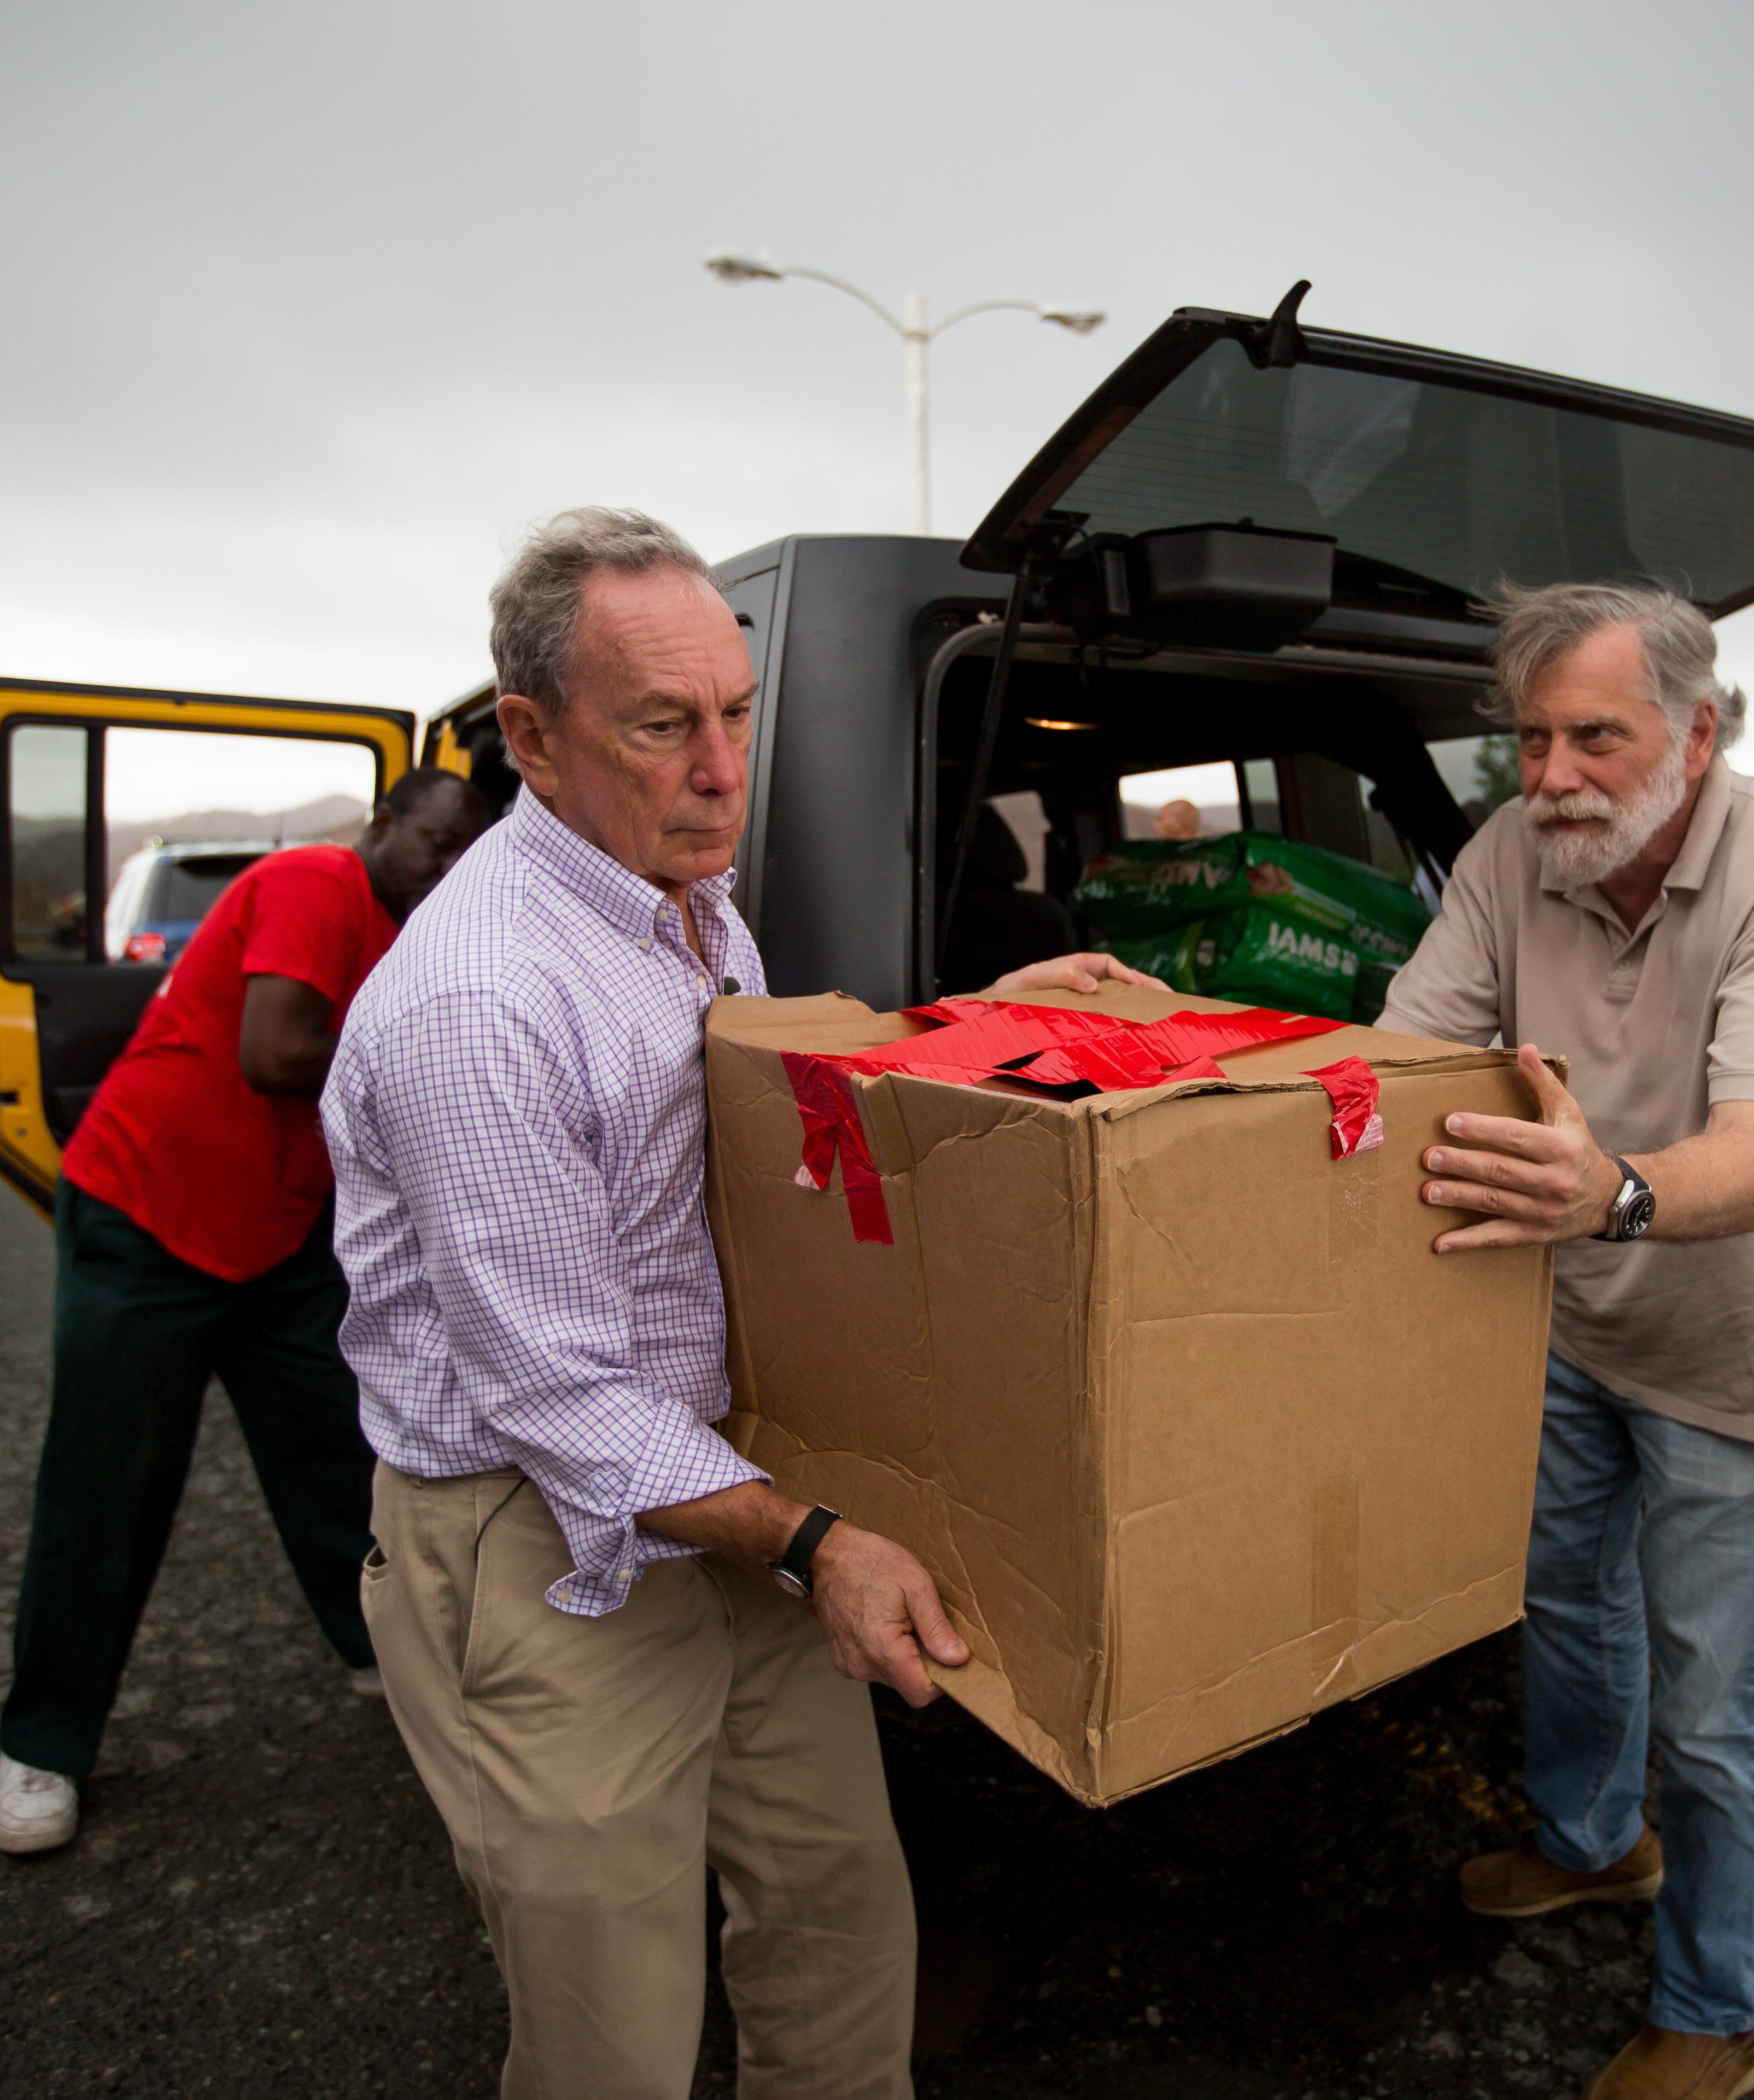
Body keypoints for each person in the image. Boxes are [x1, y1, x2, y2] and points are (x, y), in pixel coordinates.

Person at [323, 508, 1158, 2100]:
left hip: (730, 1480)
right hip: (547, 1540)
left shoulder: (683, 897)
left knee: (841, 1918)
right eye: (663, 726)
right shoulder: (483, 1000)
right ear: (532, 736)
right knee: (614, 2027)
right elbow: (559, 1396)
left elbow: (757, 1087)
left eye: (737, 713)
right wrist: (822, 1544)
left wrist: (977, 1017)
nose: (723, 768)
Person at [1383, 582, 1754, 2100]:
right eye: (1531, 742)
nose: (1554, 779)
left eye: (1596, 736)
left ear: (1698, 731)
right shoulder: (1508, 854)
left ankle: (1721, 2010)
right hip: (1567, 1316)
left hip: (1738, 1346)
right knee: (1565, 1612)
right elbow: (1400, 1059)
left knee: (1718, 1698)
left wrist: (1617, 1190)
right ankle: (1598, 1847)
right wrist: (1162, 1031)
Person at [0, 766, 488, 1855]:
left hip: (277, 1236)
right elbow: (275, 1055)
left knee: (338, 1452)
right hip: (149, 1218)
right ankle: (44, 1743)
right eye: (435, 843)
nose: (448, 869)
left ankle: (377, 1652)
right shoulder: (315, 882)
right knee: (108, 1486)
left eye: (467, 853)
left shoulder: (421, 938)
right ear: (383, 824)